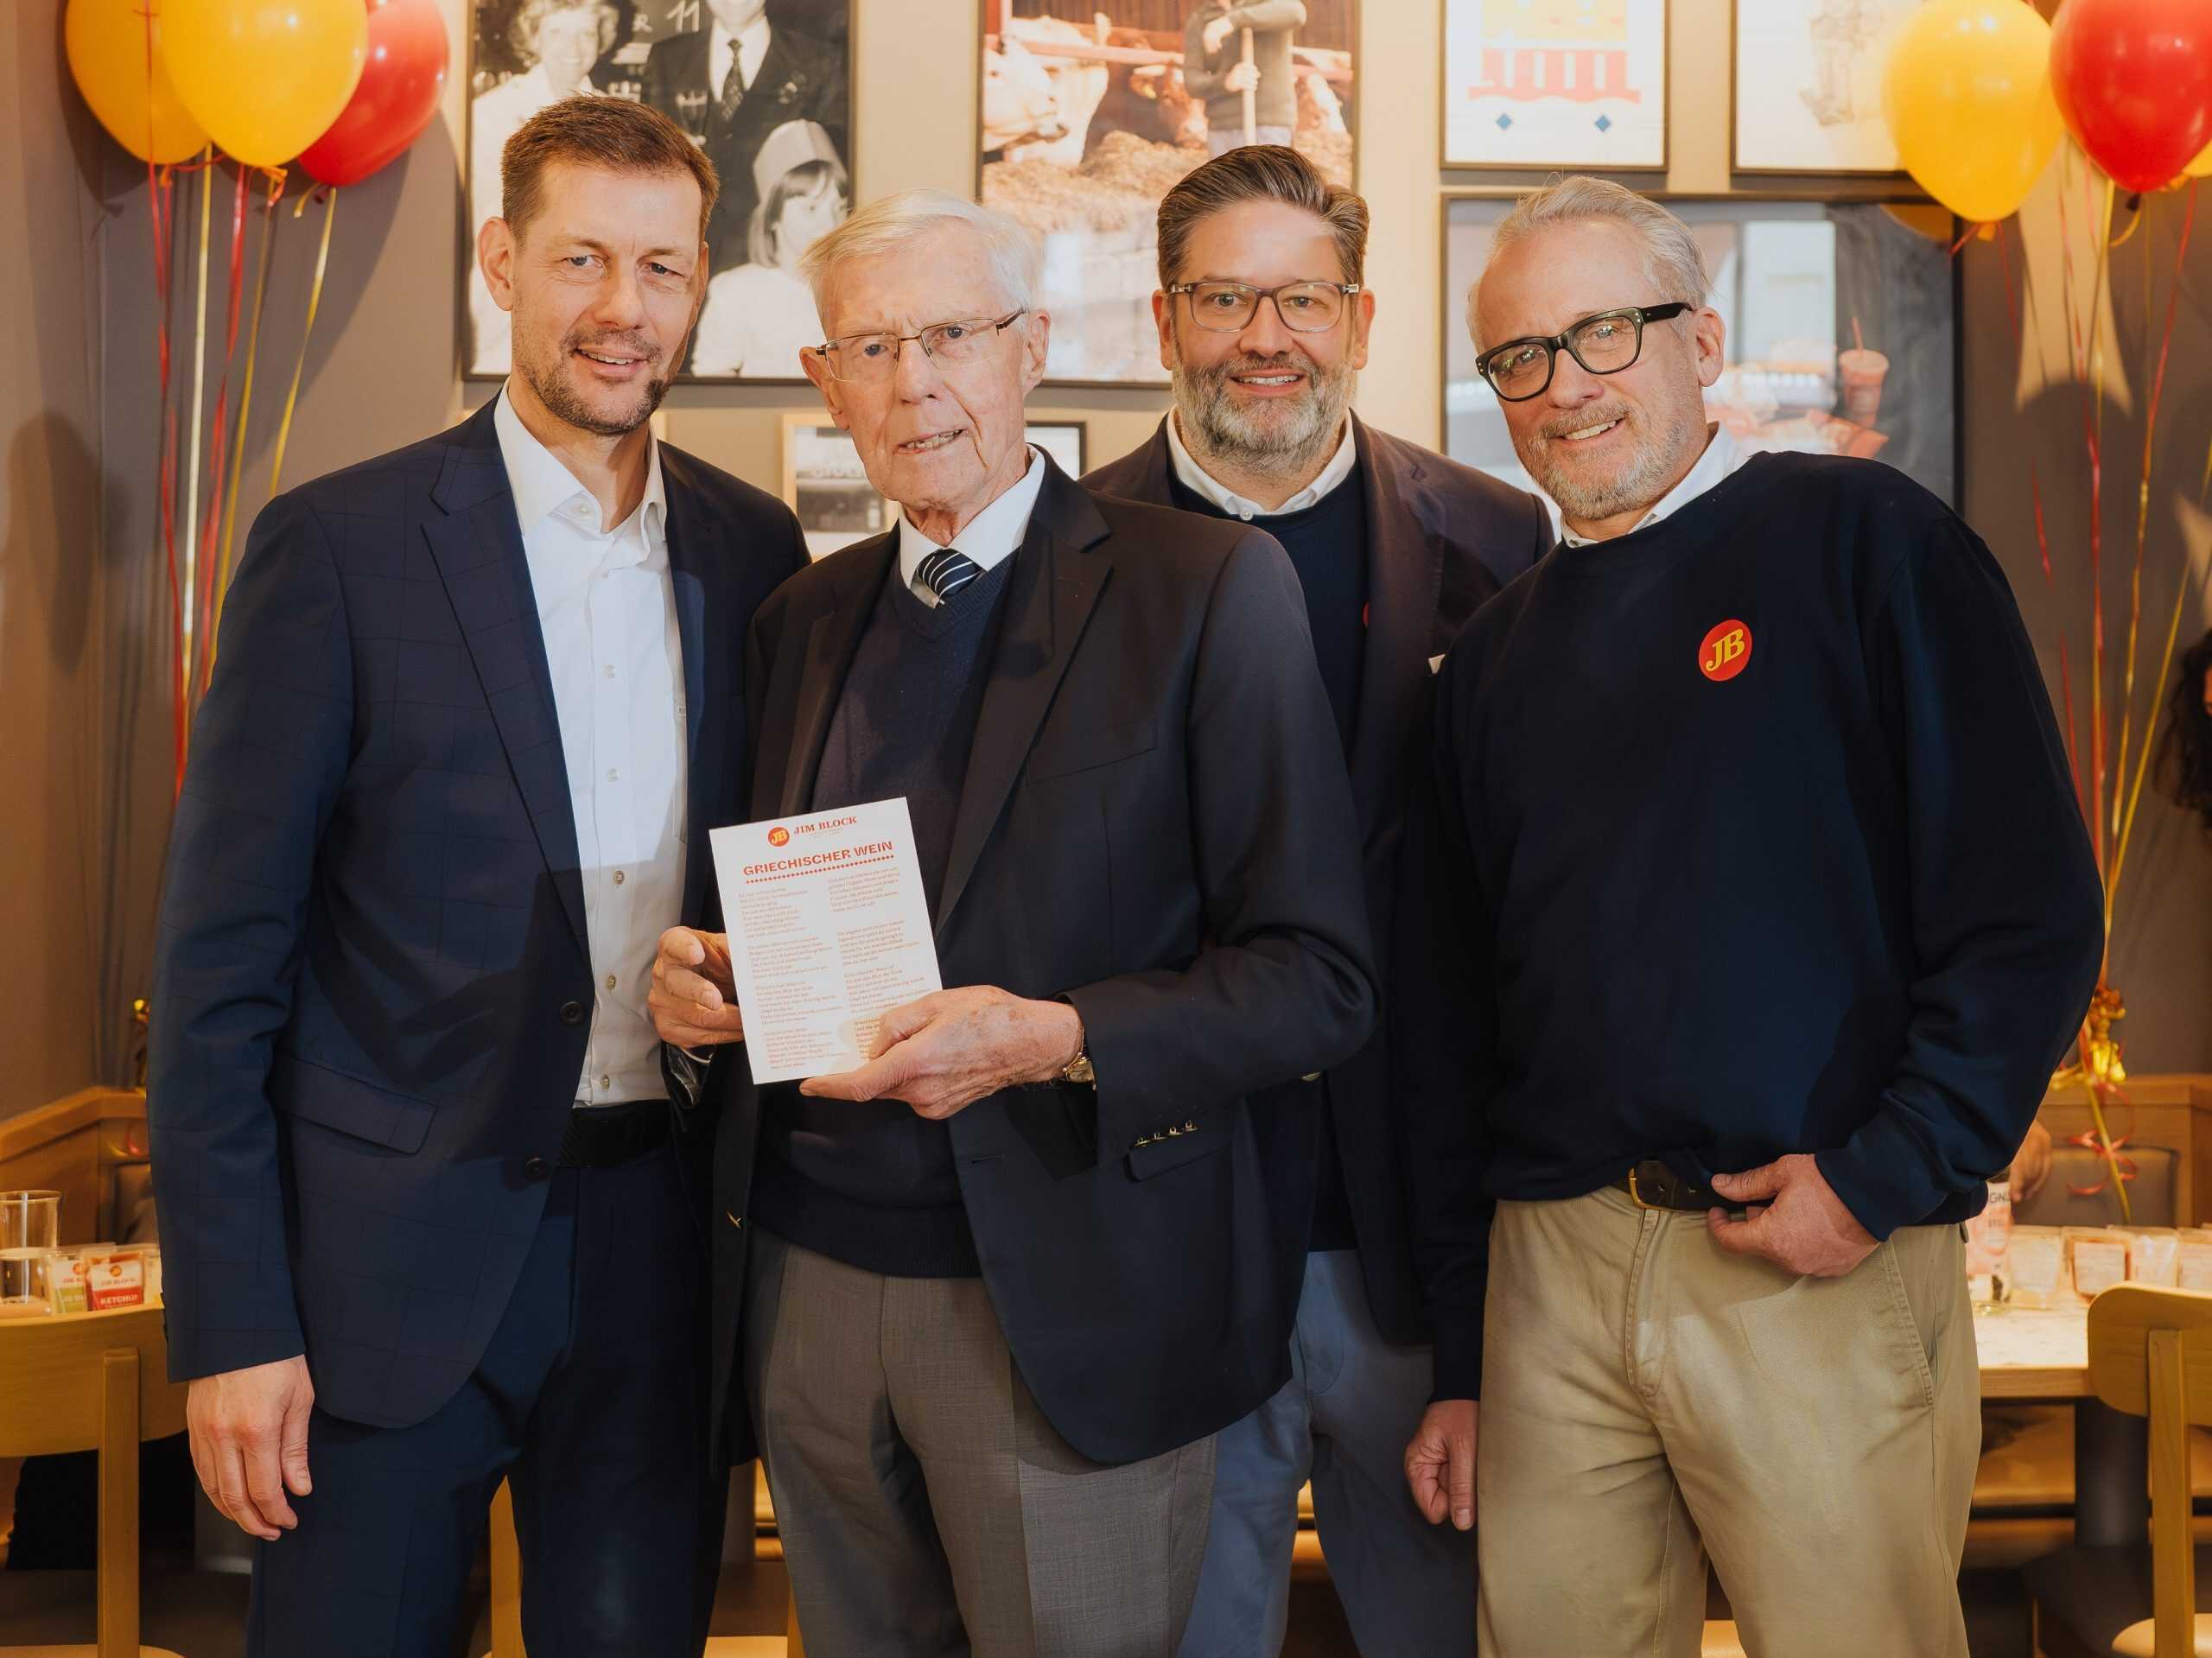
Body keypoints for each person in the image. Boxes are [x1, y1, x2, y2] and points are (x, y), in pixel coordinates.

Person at [646, 187, 1376, 1655]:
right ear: (825, 381)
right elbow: (791, 917)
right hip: (811, 1295)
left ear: (1031, 348)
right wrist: (703, 987)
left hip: (1066, 1303)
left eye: (954, 335)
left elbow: (1319, 978)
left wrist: (1056, 1035)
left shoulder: (1206, 591)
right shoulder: (804, 616)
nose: (917, 379)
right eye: (874, 344)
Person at [1402, 175, 2105, 1658]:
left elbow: (2028, 908)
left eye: (1604, 333)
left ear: (1702, 338)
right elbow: (1456, 1014)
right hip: (1553, 1274)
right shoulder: (1491, 660)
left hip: (1815, 1249)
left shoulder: (1869, 544)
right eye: (1519, 356)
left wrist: (1886, 1172)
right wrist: (1469, 1329)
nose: (1564, 387)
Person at [146, 96, 806, 1657]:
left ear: (704, 280)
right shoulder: (339, 547)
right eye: (581, 256)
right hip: (379, 1272)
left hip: (660, 1244)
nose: (621, 307)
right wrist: (235, 1323)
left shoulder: (757, 553)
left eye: (659, 265)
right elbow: (220, 964)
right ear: (502, 263)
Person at [1081, 143, 1549, 1658]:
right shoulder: (1061, 560)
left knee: (1437, 1628)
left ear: (1356, 316)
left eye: (1299, 300)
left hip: (1415, 1240)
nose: (1262, 338)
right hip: (1166, 1231)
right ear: (1165, 321)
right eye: (1224, 297)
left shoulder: (1500, 546)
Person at [642, 0, 847, 278]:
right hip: (684, 253)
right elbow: (645, 162)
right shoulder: (667, 57)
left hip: (773, 262)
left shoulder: (818, 60)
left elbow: (835, 171)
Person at [467, 0, 616, 373]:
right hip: (515, 286)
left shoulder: (618, 118)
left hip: (594, 290)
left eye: (586, 33)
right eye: (558, 33)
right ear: (534, 37)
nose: (574, 47)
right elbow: (486, 209)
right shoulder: (491, 112)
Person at [689, 118, 847, 378]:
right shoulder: (735, 293)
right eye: (811, 208)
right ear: (774, 217)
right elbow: (714, 381)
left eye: (838, 208)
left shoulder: (854, 292)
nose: (830, 223)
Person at [1183, 3, 1306, 156]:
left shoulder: (1265, 4)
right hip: (1222, 129)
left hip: (1269, 125)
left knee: (1267, 180)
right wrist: (1225, 82)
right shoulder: (1200, 20)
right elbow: (1191, 81)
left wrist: (1230, 21)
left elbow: (1296, 12)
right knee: (1226, 181)